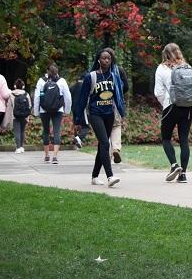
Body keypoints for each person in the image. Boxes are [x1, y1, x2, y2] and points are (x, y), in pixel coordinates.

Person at [74, 49, 125, 187]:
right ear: (98, 60)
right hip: (95, 113)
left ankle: (95, 176)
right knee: (105, 143)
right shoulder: (90, 77)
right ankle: (110, 176)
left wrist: (122, 113)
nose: (106, 61)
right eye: (103, 58)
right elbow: (82, 100)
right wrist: (78, 120)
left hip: (109, 114)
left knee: (102, 146)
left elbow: (119, 97)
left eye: (108, 58)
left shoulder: (114, 77)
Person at [154, 43, 192, 183]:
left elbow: (158, 92)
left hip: (170, 106)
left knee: (165, 138)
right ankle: (183, 174)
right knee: (184, 140)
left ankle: (174, 165)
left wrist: (165, 102)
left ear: (165, 54)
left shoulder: (161, 68)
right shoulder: (187, 67)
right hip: (187, 107)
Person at [34, 64, 72, 164]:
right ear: (57, 71)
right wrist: (67, 110)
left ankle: (47, 155)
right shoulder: (62, 81)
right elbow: (68, 97)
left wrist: (36, 111)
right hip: (58, 109)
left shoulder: (41, 81)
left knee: (46, 131)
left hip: (44, 110)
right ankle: (54, 157)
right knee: (56, 131)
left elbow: (37, 97)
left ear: (47, 71)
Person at [101, 47, 128, 164]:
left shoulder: (99, 70)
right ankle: (116, 148)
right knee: (116, 125)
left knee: (104, 126)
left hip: (101, 102)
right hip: (116, 102)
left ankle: (106, 151)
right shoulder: (119, 70)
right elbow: (126, 87)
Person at [10, 79, 32, 153]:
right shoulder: (26, 94)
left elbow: (10, 105)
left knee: (17, 131)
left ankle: (18, 147)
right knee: (22, 131)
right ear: (23, 86)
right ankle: (22, 147)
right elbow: (30, 105)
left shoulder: (11, 94)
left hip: (15, 115)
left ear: (15, 86)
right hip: (25, 115)